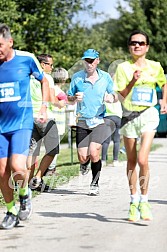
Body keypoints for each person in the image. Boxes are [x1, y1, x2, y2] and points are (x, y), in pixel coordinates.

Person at [114, 30, 167, 222]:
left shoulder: (155, 66)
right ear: (129, 46)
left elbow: (164, 82)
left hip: (148, 114)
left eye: (141, 43)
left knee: (143, 160)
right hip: (129, 117)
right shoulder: (123, 68)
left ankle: (144, 201)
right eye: (133, 43)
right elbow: (121, 94)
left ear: (147, 47)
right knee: (131, 160)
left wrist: (164, 101)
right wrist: (133, 80)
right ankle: (133, 200)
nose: (137, 46)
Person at [0, 24, 49, 229]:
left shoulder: (26, 59)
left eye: (0, 45)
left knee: (18, 167)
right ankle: (11, 210)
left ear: (10, 42)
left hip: (21, 122)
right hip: (0, 126)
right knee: (2, 171)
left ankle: (24, 194)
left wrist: (44, 107)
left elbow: (44, 80)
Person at [67, 48, 118, 195]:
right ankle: (84, 164)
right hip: (82, 120)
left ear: (97, 61)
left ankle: (94, 184)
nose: (88, 63)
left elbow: (114, 95)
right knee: (83, 157)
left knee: (94, 152)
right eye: (86, 60)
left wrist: (111, 98)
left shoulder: (105, 77)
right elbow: (68, 98)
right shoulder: (77, 77)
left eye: (91, 60)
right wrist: (74, 98)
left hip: (100, 120)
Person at [27, 54, 64, 192]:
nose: (52, 67)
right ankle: (37, 177)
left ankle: (27, 186)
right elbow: (52, 99)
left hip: (30, 118)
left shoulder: (27, 77)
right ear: (42, 64)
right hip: (45, 117)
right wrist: (61, 103)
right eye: (50, 65)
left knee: (32, 153)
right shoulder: (46, 78)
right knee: (53, 150)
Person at [46, 67, 69, 174]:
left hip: (52, 120)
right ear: (63, 79)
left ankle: (49, 167)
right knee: (54, 146)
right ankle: (51, 168)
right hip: (57, 121)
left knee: (50, 145)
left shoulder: (51, 89)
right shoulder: (59, 92)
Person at [101, 100, 123, 167]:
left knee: (106, 141)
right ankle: (115, 160)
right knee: (116, 141)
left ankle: (103, 160)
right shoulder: (118, 95)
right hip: (117, 117)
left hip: (107, 117)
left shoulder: (105, 95)